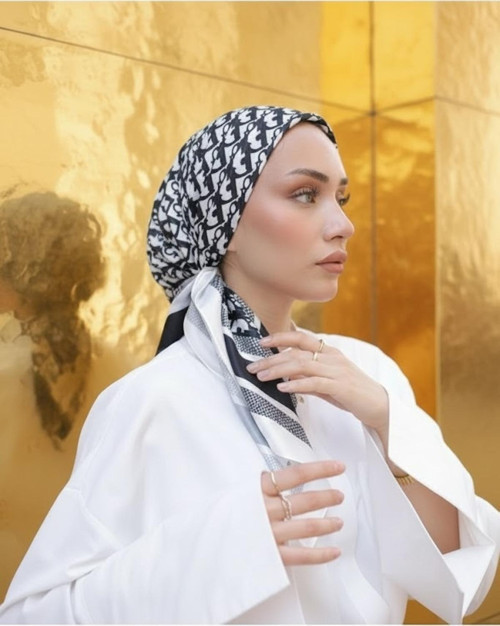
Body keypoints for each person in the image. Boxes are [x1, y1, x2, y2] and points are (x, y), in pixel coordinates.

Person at [0, 105, 498, 624]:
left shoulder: (366, 372)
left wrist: (389, 422)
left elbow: (456, 574)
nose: (343, 225)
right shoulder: (152, 401)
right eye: (305, 194)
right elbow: (36, 615)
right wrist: (223, 544)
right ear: (225, 220)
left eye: (341, 198)